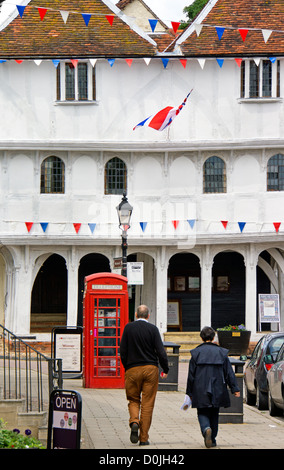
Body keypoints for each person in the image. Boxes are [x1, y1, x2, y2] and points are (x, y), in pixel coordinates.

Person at [120, 304, 169, 446]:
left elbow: (122, 350)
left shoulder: (128, 328)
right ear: (148, 316)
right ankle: (143, 438)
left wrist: (127, 367)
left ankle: (134, 421)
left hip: (132, 369)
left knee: (133, 399)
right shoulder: (153, 329)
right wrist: (165, 369)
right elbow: (161, 352)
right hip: (150, 369)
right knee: (147, 404)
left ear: (136, 315)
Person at [186, 326, 240, 448]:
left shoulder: (195, 353)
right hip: (217, 387)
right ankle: (213, 439)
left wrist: (189, 392)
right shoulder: (222, 352)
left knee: (202, 411)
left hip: (200, 387)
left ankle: (206, 429)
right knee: (215, 412)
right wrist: (235, 388)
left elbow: (191, 375)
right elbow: (229, 373)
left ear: (201, 338)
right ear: (214, 337)